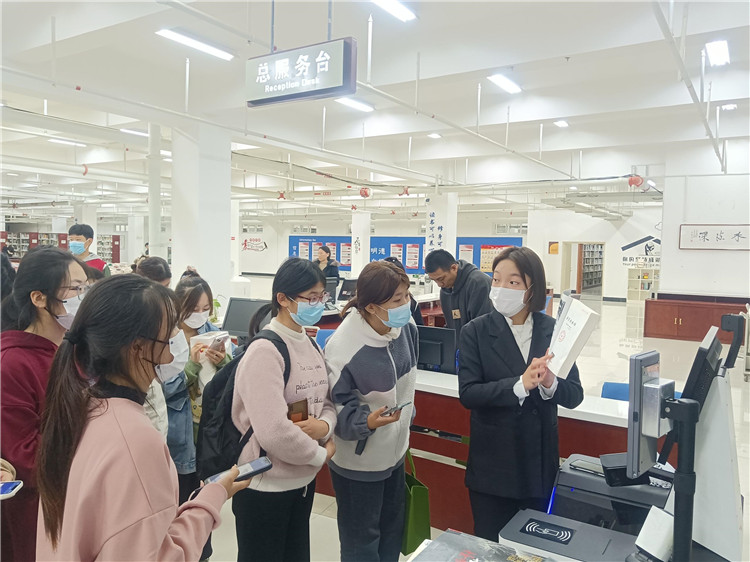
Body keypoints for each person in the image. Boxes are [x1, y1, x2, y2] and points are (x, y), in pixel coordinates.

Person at [35, 275, 250, 560]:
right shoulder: (135, 439)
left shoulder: (81, 409)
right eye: (170, 332)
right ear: (138, 347)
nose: (176, 342)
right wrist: (210, 498)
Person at [457, 246, 584, 540]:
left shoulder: (553, 331)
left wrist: (551, 383)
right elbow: (469, 394)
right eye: (496, 279)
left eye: (513, 282)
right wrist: (519, 384)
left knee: (533, 547)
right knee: (491, 544)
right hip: (493, 467)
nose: (501, 288)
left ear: (532, 289)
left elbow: (574, 395)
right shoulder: (475, 331)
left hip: (538, 465)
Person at [232, 257, 337, 562]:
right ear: (283, 299)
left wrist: (325, 427)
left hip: (301, 483)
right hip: (265, 486)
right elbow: (274, 431)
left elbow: (326, 401)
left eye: (322, 296)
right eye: (311, 298)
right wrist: (319, 455)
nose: (318, 304)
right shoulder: (265, 351)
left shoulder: (311, 344)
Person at [325, 260, 419, 562]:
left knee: (392, 530)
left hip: (395, 453)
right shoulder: (344, 346)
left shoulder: (405, 327)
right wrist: (366, 422)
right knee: (361, 542)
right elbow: (335, 407)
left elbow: (408, 380)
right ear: (371, 307)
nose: (405, 305)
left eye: (406, 295)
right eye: (397, 299)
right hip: (359, 462)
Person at [0, 247, 87, 562]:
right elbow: (22, 454)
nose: (82, 298)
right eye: (74, 290)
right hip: (37, 510)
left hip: (74, 495)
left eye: (85, 288)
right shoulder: (13, 363)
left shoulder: (69, 350)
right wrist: (90, 455)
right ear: (39, 298)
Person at [165, 274, 230, 517]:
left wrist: (223, 362)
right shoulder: (166, 338)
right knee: (179, 504)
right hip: (179, 436)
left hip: (209, 431)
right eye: (193, 309)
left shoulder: (213, 333)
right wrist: (191, 366)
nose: (200, 315)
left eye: (205, 308)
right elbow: (165, 390)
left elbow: (231, 383)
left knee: (204, 506)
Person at [425, 249, 492, 337]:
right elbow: (451, 326)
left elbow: (483, 327)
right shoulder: (445, 290)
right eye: (434, 280)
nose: (439, 284)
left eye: (441, 279)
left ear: (454, 268)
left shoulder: (479, 283)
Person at [382, 256, 423, 325]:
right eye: (397, 300)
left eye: (406, 296)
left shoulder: (412, 303)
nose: (404, 303)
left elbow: (420, 328)